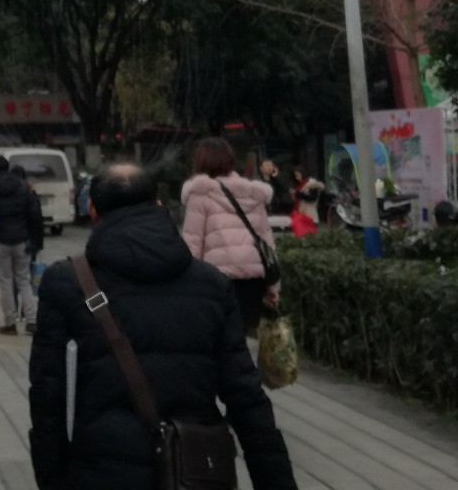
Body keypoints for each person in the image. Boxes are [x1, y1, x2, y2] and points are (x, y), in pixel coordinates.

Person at [29, 164, 298, 490]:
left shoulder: (66, 282)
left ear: (92, 210)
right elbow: (245, 396)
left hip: (100, 471)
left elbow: (48, 397)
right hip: (194, 472)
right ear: (158, 205)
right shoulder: (212, 284)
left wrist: (51, 479)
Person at [181, 137, 280, 330]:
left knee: (218, 335)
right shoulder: (252, 192)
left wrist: (187, 285)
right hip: (253, 280)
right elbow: (266, 240)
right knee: (244, 334)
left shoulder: (200, 193)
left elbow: (192, 243)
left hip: (215, 278)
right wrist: (273, 286)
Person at [0, 154, 44, 335]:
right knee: (24, 280)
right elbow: (35, 216)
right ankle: (31, 321)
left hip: (1, 241)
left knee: (5, 281)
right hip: (22, 239)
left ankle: (10, 323)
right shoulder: (23, 189)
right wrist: (34, 240)